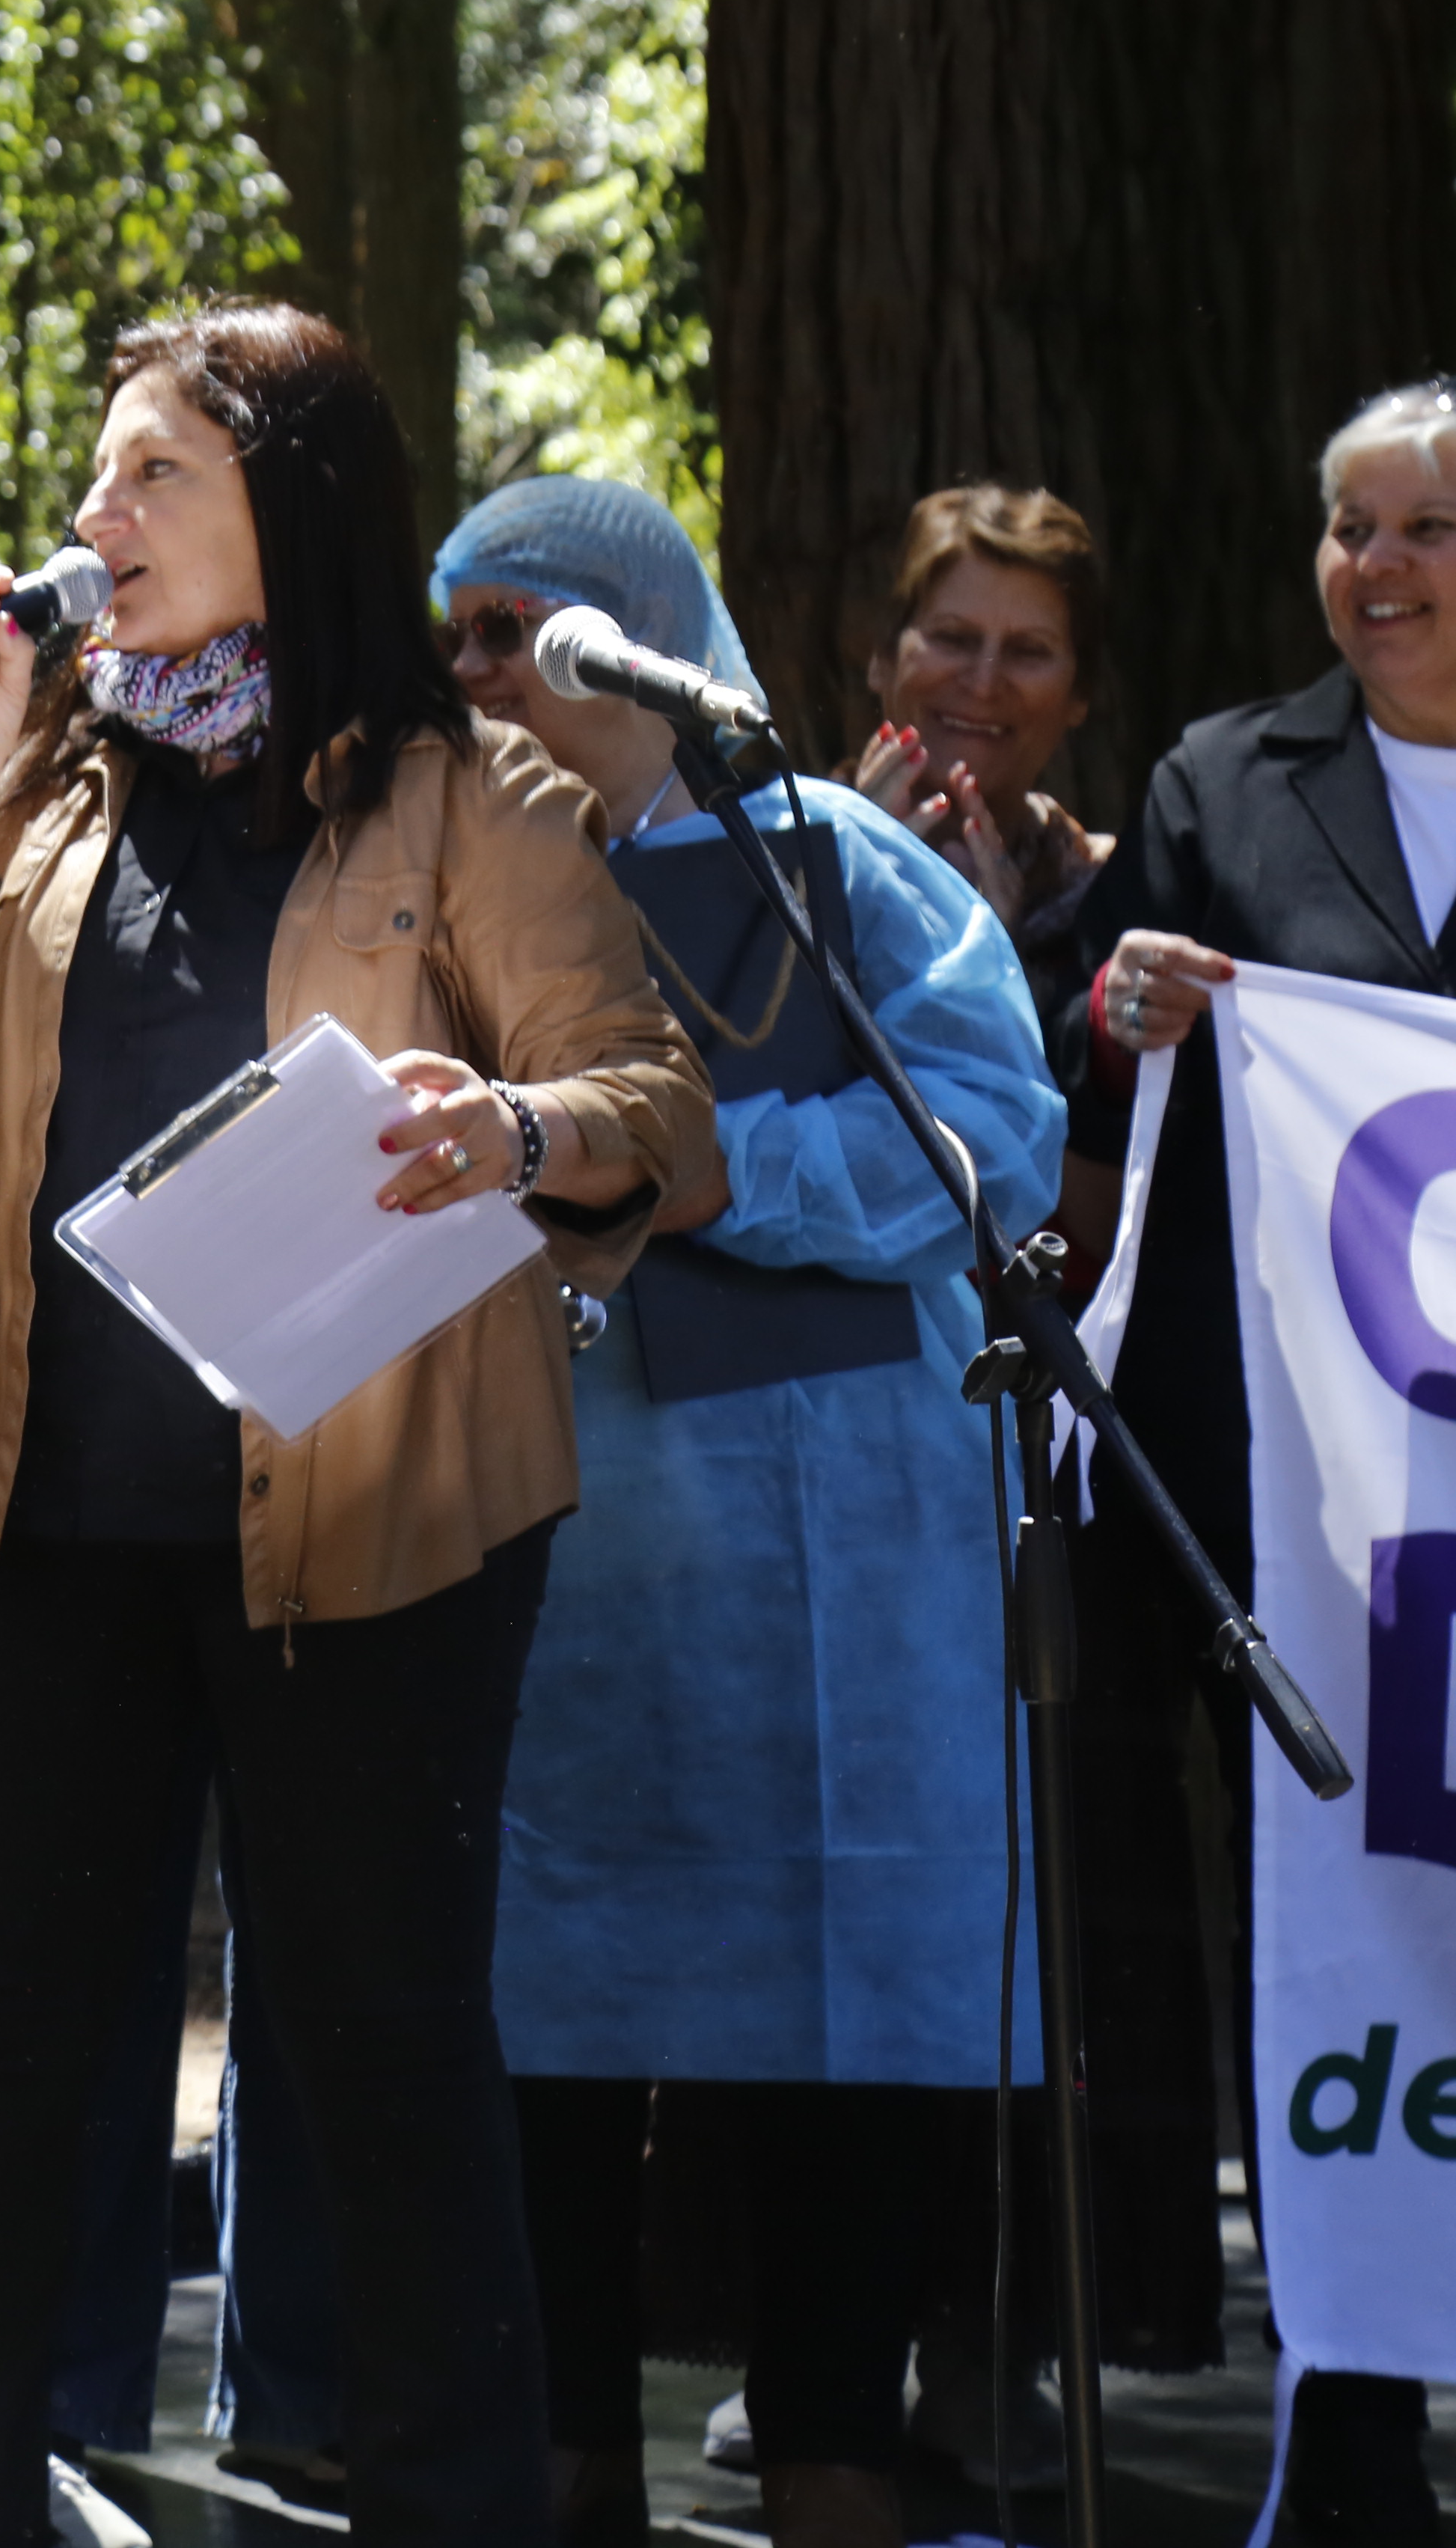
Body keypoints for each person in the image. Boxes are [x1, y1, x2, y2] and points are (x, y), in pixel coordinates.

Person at [0, 301, 714, 2547]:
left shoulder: (467, 790)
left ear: (290, 513)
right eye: (97, 476)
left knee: (381, 2049)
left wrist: (509, 1127)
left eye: (154, 481)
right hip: (29, 1510)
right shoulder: (45, 767)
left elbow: (660, 1114)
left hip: (378, 1519)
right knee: (0, 2054)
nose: (95, 521)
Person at [435, 472, 1066, 2548]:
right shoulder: (440, 891)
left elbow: (990, 1148)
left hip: (844, 1586)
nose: (468, 674)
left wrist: (702, 1171)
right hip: (555, 1569)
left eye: (506, 627)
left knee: (838, 2066)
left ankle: (837, 2470)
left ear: (628, 638)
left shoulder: (844, 874)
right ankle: (565, 2474)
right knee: (534, 2041)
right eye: (444, 635)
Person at [1061, 378, 1456, 2547]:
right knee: (1332, 1927)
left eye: (1425, 530)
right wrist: (1123, 1002)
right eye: (1348, 527)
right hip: (1307, 1508)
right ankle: (1360, 2409)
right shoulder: (1225, 778)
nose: (1378, 568)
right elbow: (1109, 1080)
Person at [845, 486, 1115, 1018]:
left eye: (1028, 651)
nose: (985, 682)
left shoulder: (1116, 900)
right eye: (954, 639)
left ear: (1079, 695)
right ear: (881, 655)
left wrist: (1003, 971)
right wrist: (844, 881)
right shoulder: (766, 861)